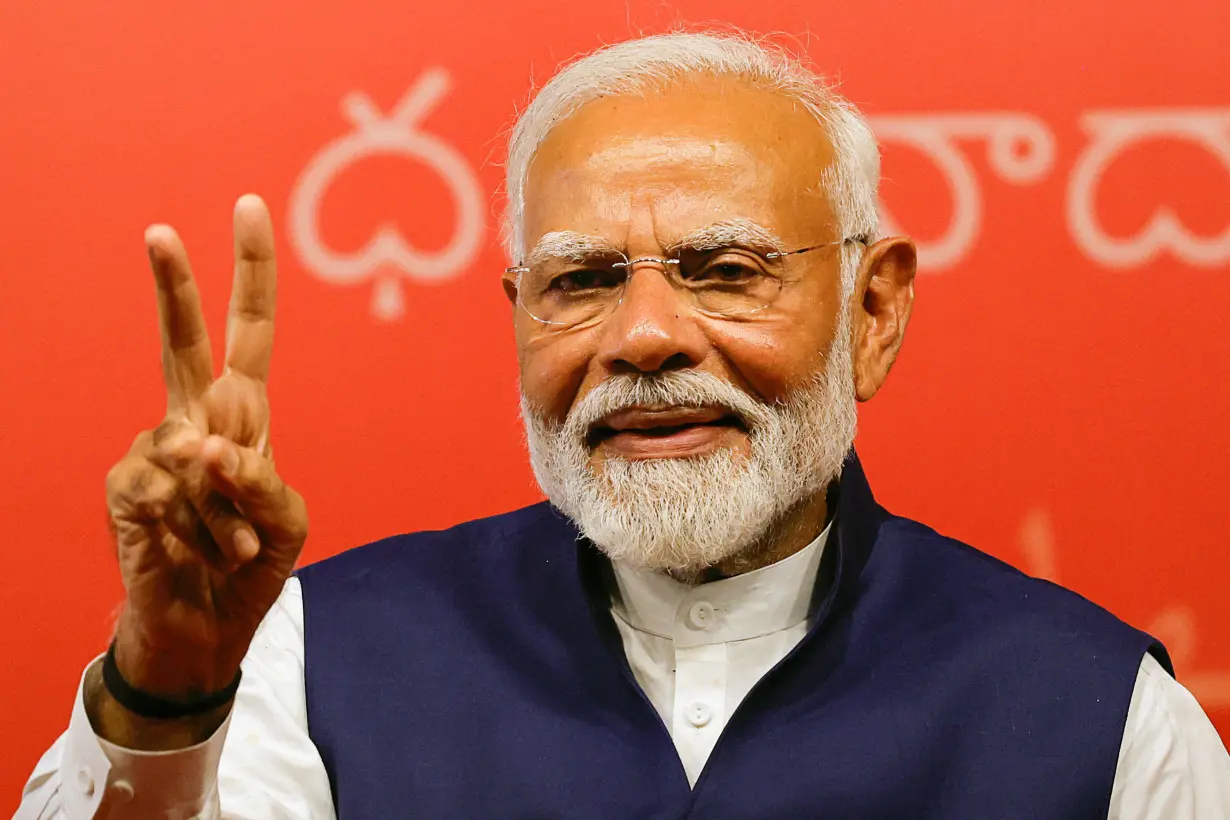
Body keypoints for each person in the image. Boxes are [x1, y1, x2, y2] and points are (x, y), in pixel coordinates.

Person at [16, 30, 1230, 820]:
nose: (643, 335)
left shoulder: (1096, 713)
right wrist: (166, 690)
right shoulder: (309, 658)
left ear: (873, 310)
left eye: (722, 268)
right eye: (583, 280)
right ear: (518, 316)